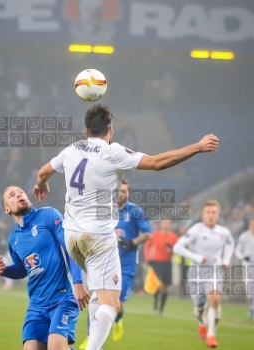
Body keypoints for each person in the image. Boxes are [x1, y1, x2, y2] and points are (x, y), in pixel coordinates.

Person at [33, 104, 219, 350]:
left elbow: (43, 171)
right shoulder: (113, 152)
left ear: (85, 130)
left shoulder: (71, 150)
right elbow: (156, 163)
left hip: (72, 237)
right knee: (112, 304)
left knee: (100, 295)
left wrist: (41, 183)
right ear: (111, 129)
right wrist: (197, 147)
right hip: (98, 237)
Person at [0, 186, 89, 350]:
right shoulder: (14, 239)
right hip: (37, 305)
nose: (19, 195)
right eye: (12, 195)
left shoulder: (48, 215)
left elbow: (69, 249)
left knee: (55, 347)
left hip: (64, 297)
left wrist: (78, 283)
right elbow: (23, 270)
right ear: (7, 209)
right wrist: (5, 270)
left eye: (21, 192)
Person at [79, 178, 151, 348]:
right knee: (96, 300)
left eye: (124, 191)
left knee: (116, 305)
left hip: (125, 265)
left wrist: (132, 242)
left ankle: (118, 321)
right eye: (118, 190)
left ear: (129, 193)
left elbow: (147, 234)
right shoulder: (103, 210)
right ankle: (92, 340)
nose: (120, 194)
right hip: (103, 265)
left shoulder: (135, 211)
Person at [173, 200, 234, 348]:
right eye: (208, 212)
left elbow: (231, 244)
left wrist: (225, 260)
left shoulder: (223, 232)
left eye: (214, 212)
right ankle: (201, 321)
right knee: (199, 307)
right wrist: (197, 258)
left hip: (214, 271)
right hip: (196, 274)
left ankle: (211, 335)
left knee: (214, 298)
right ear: (203, 215)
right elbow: (177, 248)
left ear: (218, 215)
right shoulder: (196, 230)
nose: (211, 215)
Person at [143, 219, 178, 315]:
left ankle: (161, 308)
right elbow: (147, 246)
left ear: (170, 225)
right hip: (157, 262)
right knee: (159, 284)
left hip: (167, 263)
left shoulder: (173, 237)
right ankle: (155, 300)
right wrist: (148, 258)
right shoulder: (155, 235)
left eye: (168, 223)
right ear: (161, 224)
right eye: (164, 223)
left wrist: (172, 249)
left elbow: (178, 249)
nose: (166, 225)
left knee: (166, 287)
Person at [234, 216, 254, 319]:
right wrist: (243, 257)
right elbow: (237, 250)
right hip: (247, 266)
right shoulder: (244, 236)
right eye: (252, 224)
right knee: (250, 291)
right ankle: (251, 308)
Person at [0, 217, 14, 290]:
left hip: (9, 252)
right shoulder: (2, 231)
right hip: (5, 252)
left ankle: (9, 284)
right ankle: (8, 283)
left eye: (0, 223)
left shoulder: (9, 230)